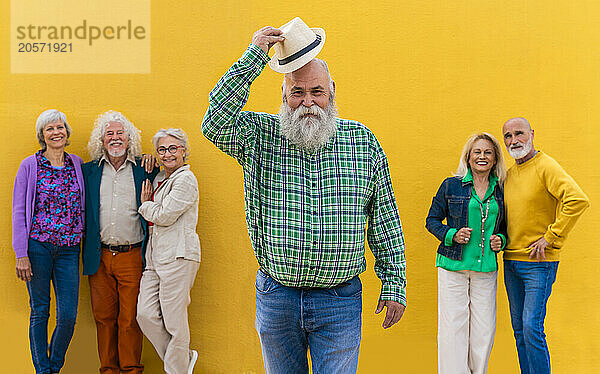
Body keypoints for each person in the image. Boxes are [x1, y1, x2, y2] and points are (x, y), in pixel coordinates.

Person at [201, 20, 406, 374]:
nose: (307, 102)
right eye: (297, 92)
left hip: (340, 300)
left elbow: (384, 216)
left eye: (317, 92)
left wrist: (394, 283)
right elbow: (214, 123)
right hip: (277, 297)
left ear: (332, 93)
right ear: (284, 96)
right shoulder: (260, 136)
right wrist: (255, 57)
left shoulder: (362, 141)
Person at [501, 117, 590, 374]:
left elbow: (577, 200)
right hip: (511, 262)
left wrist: (552, 237)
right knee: (519, 330)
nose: (514, 140)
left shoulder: (545, 165)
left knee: (531, 327)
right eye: (508, 136)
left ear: (531, 134)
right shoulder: (509, 175)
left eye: (519, 133)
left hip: (538, 264)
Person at [82, 110, 157, 374]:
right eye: (109, 134)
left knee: (130, 319)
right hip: (99, 256)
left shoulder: (144, 169)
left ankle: (131, 369)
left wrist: (152, 157)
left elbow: (169, 168)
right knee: (103, 319)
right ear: (101, 140)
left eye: (120, 133)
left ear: (129, 138)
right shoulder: (88, 171)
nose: (115, 139)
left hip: (132, 255)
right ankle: (108, 370)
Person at [426, 133, 507, 374]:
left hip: (485, 270)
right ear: (468, 157)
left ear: (495, 159)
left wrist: (500, 240)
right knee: (453, 330)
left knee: (484, 331)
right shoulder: (451, 184)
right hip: (453, 267)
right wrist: (452, 234)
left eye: (488, 152)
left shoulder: (502, 188)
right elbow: (431, 221)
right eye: (477, 152)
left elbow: (507, 227)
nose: (482, 156)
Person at [12, 109, 85, 374]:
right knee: (40, 311)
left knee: (67, 316)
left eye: (60, 127)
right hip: (38, 248)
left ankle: (53, 366)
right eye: (49, 129)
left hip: (68, 250)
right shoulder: (30, 166)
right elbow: (19, 210)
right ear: (42, 136)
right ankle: (43, 370)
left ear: (67, 132)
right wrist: (21, 253)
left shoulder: (77, 164)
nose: (56, 133)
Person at [136, 128, 201, 374]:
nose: (167, 154)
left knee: (174, 322)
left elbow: (164, 216)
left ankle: (177, 370)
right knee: (145, 315)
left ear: (184, 150)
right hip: (154, 256)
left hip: (178, 256)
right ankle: (182, 359)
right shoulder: (161, 179)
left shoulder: (186, 179)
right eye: (162, 149)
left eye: (173, 148)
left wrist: (145, 205)